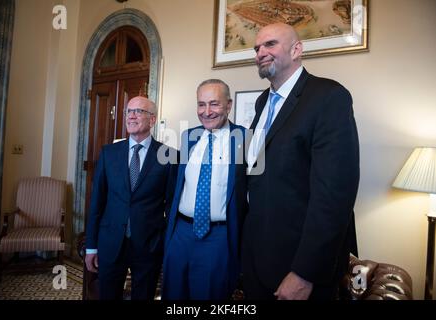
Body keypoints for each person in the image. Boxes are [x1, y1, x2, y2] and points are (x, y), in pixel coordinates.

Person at [242, 23, 359, 300]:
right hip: (257, 262)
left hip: (298, 268)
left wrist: (305, 273)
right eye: (257, 48)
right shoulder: (262, 102)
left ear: (297, 50)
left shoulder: (329, 97)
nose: (260, 52)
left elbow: (334, 196)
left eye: (270, 44)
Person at [162, 79, 247, 300]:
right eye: (201, 104)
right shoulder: (188, 136)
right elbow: (176, 186)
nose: (206, 112)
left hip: (218, 237)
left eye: (214, 104)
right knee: (173, 295)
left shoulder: (246, 139)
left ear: (228, 105)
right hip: (180, 233)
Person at [85, 96, 177, 300]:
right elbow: (97, 203)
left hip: (149, 245)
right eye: (128, 111)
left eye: (138, 111)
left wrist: (167, 245)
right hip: (110, 243)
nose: (131, 116)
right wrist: (91, 245)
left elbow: (171, 207)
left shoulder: (169, 155)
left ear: (152, 120)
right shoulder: (109, 153)